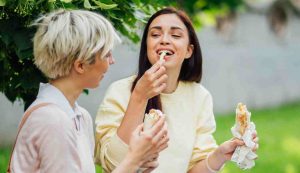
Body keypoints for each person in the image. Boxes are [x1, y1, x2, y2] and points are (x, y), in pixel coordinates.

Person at [95, 7, 258, 173]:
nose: (164, 40)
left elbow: (193, 169)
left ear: (188, 51)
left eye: (176, 35)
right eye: (155, 34)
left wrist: (220, 155)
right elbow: (112, 164)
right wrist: (139, 96)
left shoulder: (199, 97)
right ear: (147, 46)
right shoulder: (120, 91)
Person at [8, 9, 168, 173]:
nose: (112, 61)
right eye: (107, 54)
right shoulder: (53, 120)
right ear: (81, 65)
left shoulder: (80, 117)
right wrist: (134, 159)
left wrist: (139, 164)